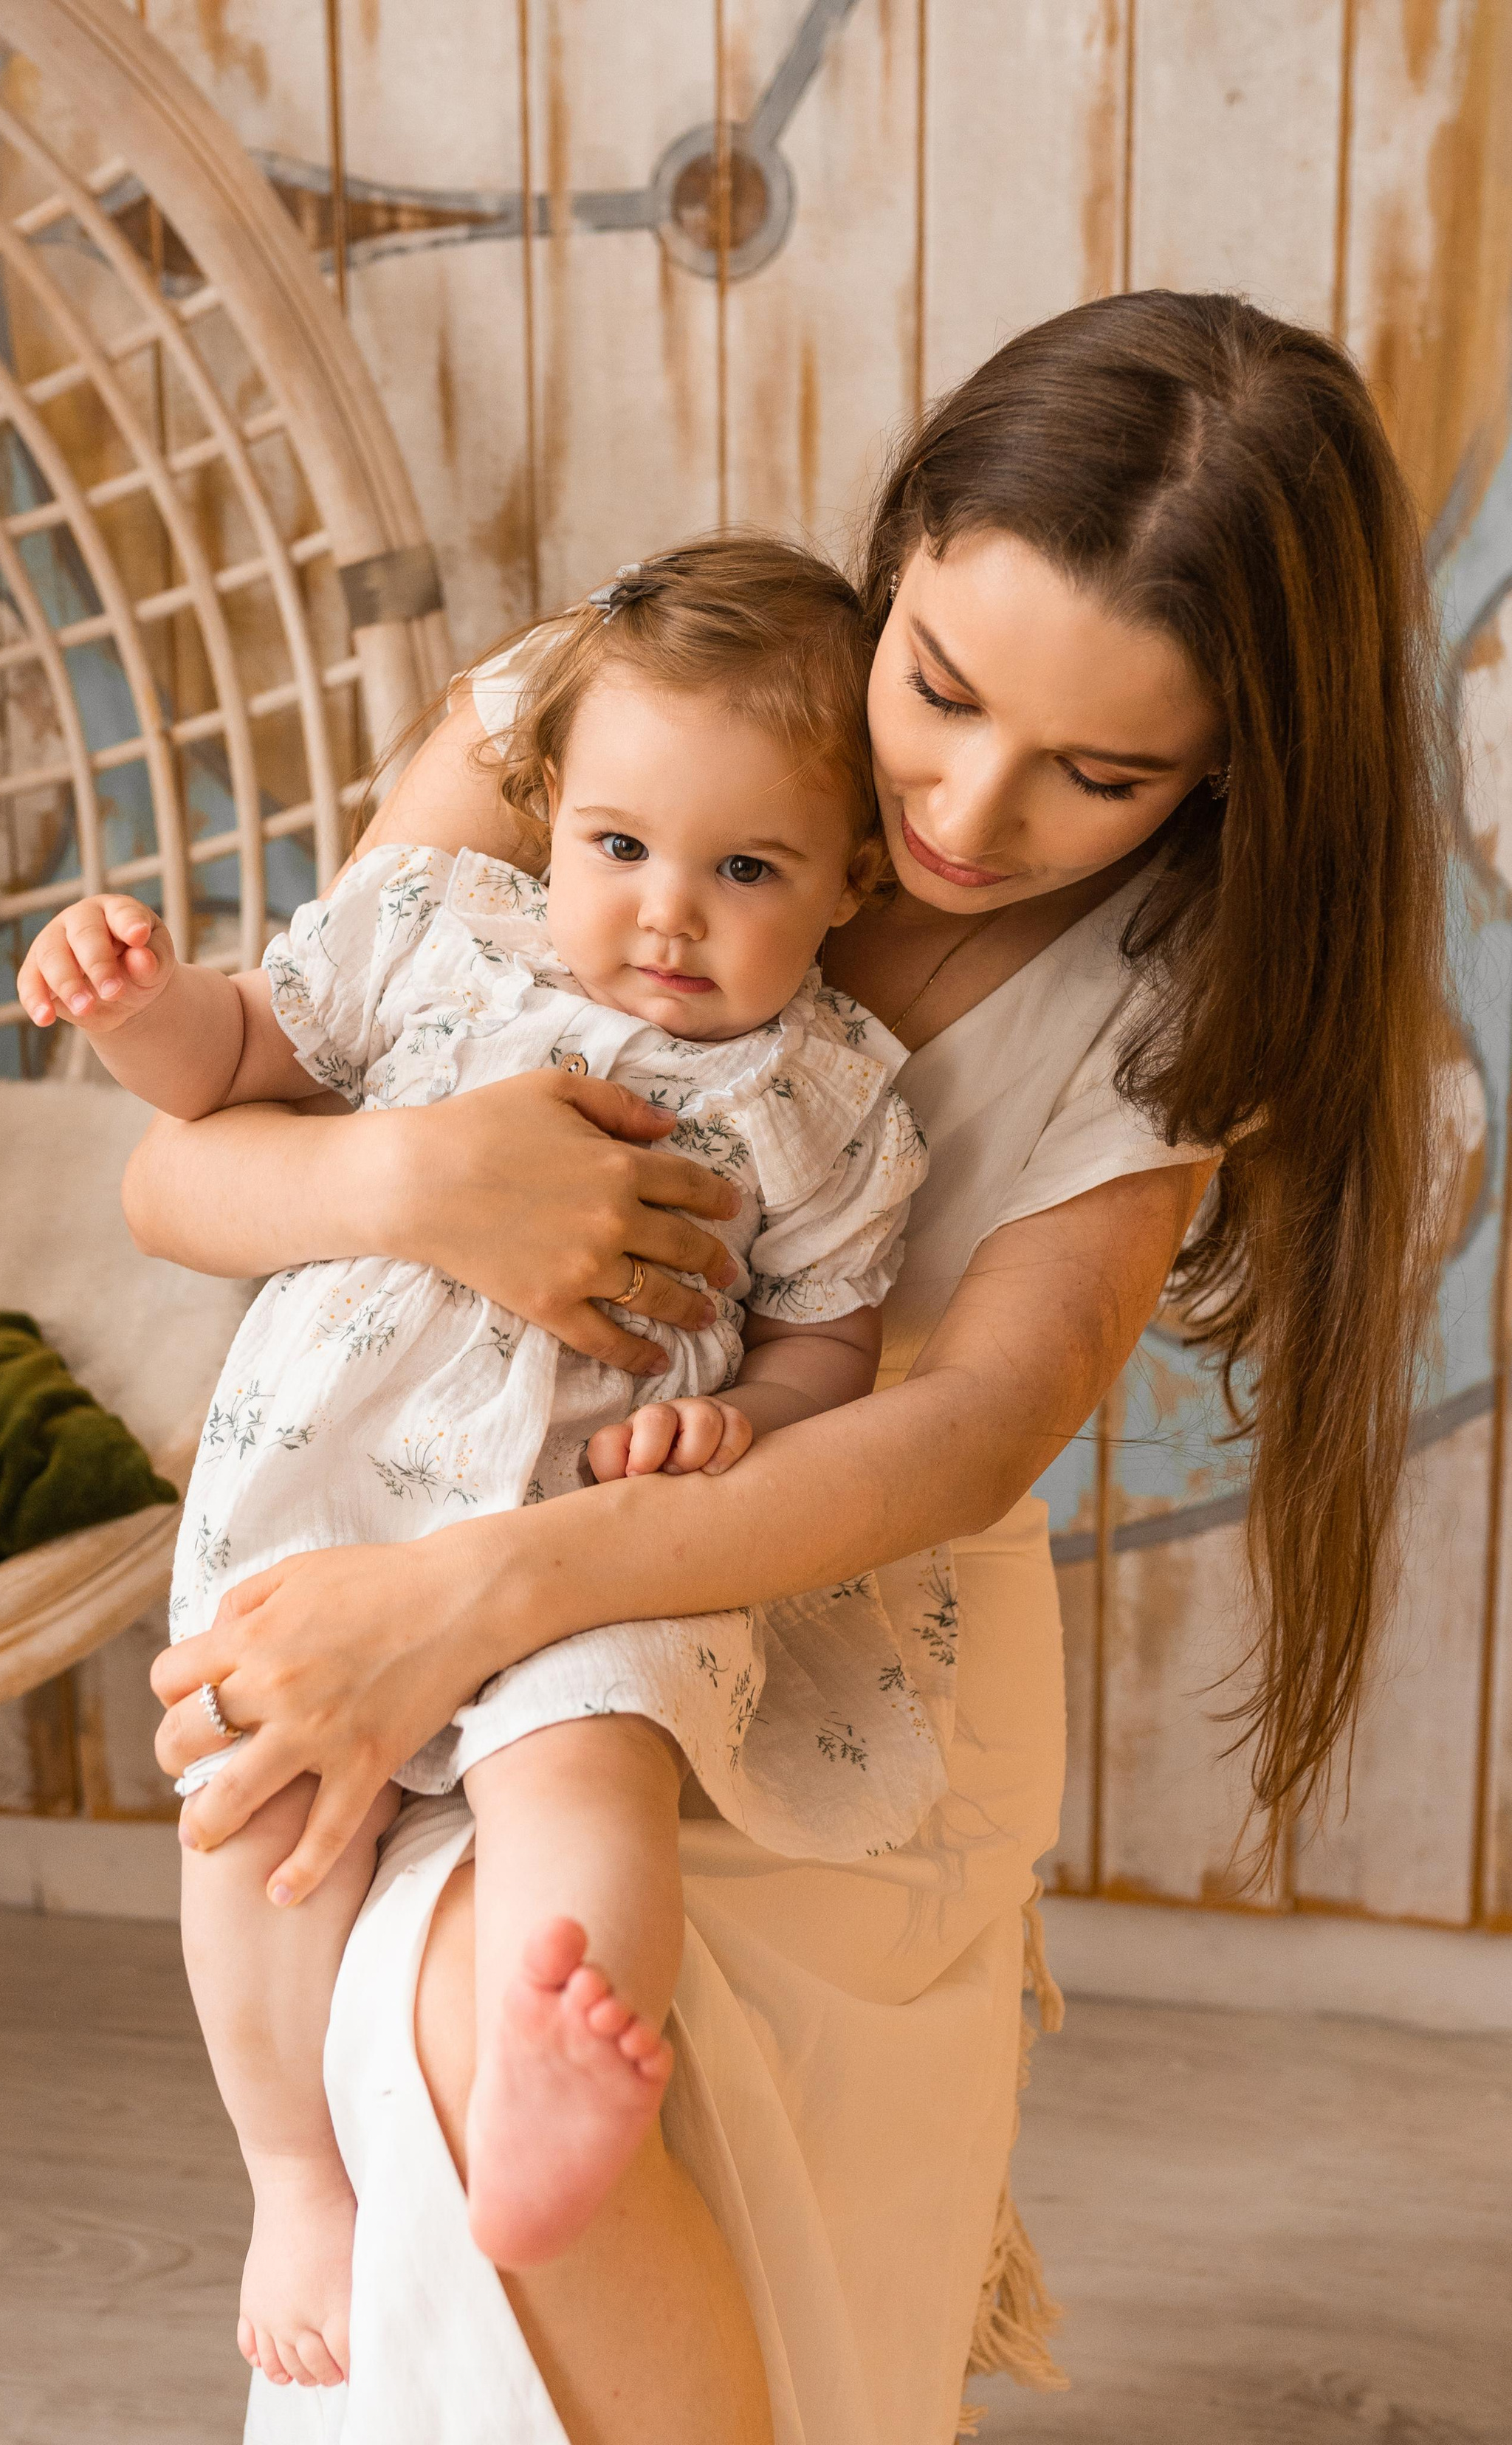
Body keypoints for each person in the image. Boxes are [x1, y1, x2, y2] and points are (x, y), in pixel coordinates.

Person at [124, 291, 1451, 2444]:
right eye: (931, 687)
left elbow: (964, 1428)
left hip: (828, 1624)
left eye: (1103, 774)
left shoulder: (1178, 988)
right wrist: (431, 1181)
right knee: (337, 1941)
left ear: (1228, 769)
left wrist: (498, 1589)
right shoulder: (622, 710)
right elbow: (180, 1183)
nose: (964, 804)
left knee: (506, 2010)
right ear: (895, 543)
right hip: (421, 1502)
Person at [17, 538, 956, 2382]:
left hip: (595, 1538)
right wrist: (134, 1004)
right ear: (548, 818)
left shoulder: (826, 1099)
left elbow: (824, 1343)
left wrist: (737, 1425)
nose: (666, 913)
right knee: (255, 1827)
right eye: (618, 848)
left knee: (584, 1773)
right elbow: (234, 1064)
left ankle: (551, 2060)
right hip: (331, 1497)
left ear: (849, 885)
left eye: (743, 871)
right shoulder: (435, 929)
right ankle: (295, 2177)